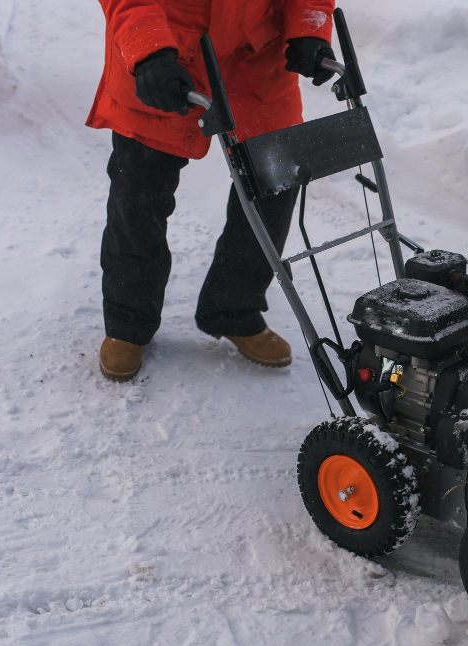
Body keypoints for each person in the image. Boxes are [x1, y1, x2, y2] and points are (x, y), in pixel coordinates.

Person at [88, 0, 336, 381]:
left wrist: (307, 26)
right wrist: (150, 49)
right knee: (140, 191)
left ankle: (233, 307)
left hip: (256, 52)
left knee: (275, 179)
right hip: (167, 50)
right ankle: (127, 322)